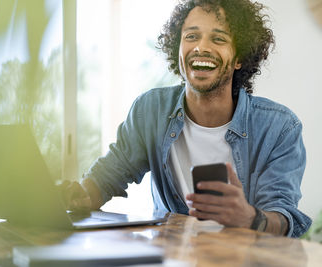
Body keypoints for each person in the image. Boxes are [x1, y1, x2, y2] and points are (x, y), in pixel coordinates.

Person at [62, 0, 311, 238]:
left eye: (218, 39)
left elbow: (283, 218)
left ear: (239, 59)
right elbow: (108, 176)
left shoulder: (279, 127)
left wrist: (250, 218)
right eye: (191, 36)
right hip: (175, 257)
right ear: (177, 49)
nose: (201, 47)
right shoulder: (150, 111)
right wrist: (78, 195)